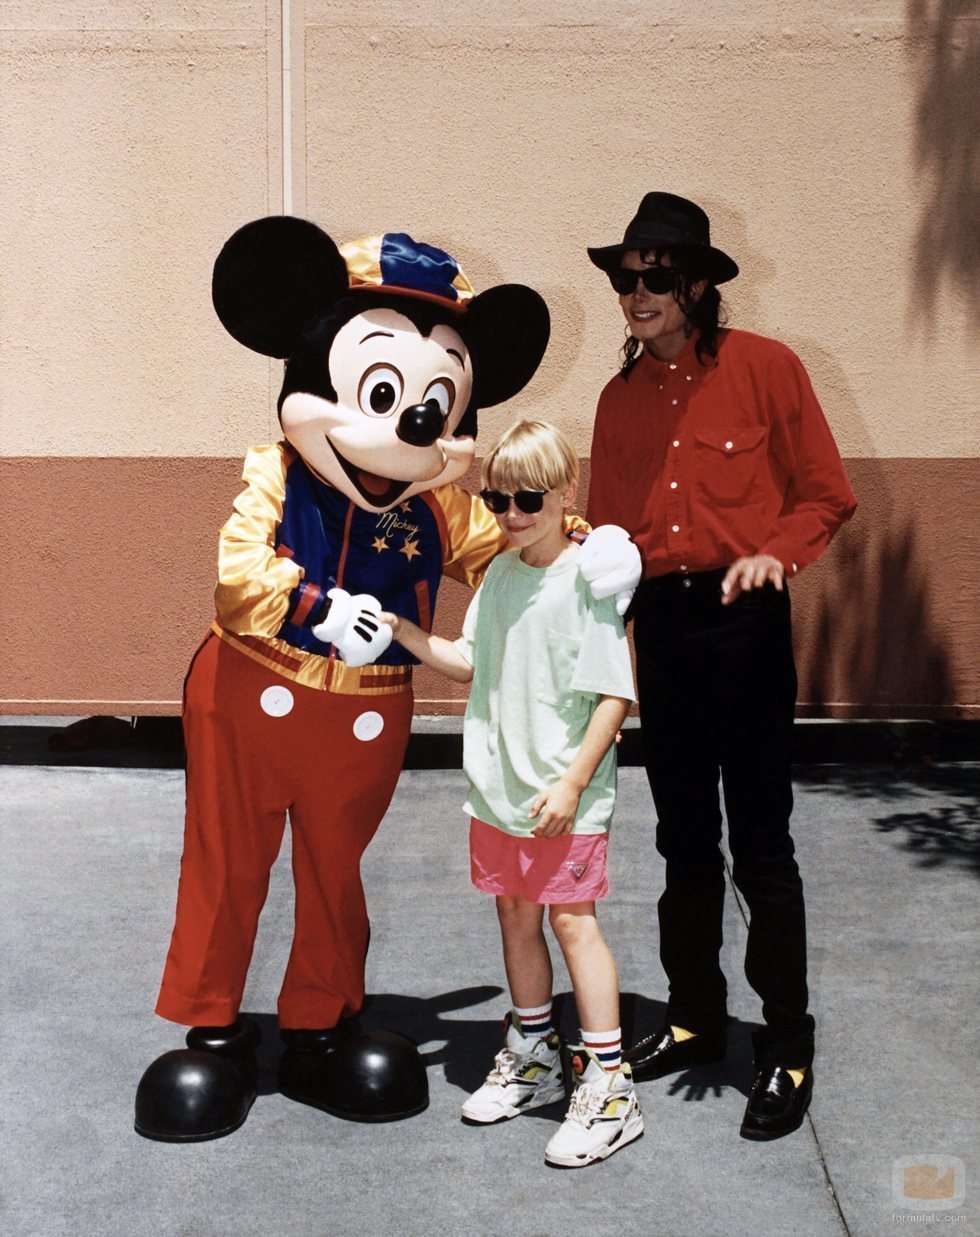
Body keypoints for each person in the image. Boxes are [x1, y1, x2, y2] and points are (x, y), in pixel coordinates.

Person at [585, 192, 857, 1141]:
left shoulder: (767, 369)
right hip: (662, 625)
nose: (636, 293)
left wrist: (775, 551)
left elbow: (828, 493)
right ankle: (696, 1016)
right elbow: (608, 536)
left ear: (700, 285)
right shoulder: (618, 402)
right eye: (626, 278)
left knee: (763, 847)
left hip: (745, 625)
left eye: (655, 276)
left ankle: (786, 1044)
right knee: (683, 840)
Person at [381, 419, 642, 1168]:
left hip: (564, 795)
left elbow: (613, 697)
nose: (513, 512)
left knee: (573, 924)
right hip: (500, 793)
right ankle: (533, 1054)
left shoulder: (590, 582)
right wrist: (402, 629)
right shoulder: (498, 574)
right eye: (498, 498)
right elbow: (467, 659)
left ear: (566, 493)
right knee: (515, 913)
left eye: (529, 496)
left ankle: (609, 1087)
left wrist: (572, 780)